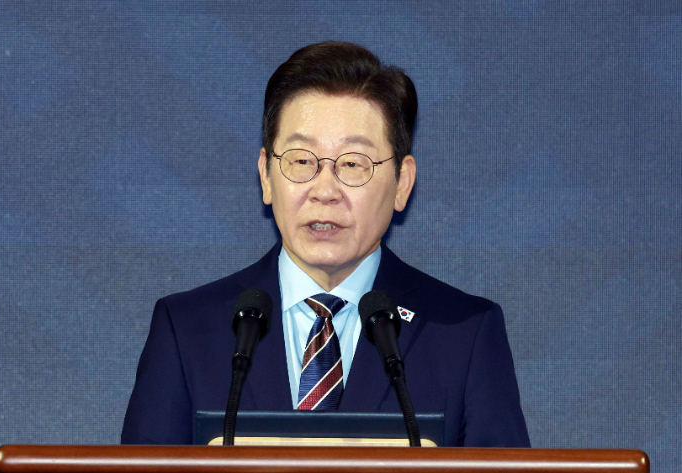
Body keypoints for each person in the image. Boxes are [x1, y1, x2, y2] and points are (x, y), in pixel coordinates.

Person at [121, 41, 530, 446]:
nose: (325, 191)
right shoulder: (187, 329)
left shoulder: (464, 334)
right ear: (266, 176)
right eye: (301, 161)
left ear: (402, 183)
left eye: (353, 164)